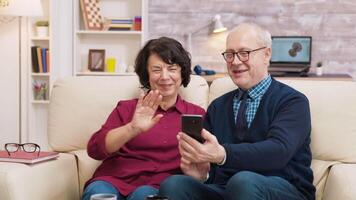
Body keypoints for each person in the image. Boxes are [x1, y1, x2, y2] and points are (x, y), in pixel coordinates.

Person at [159, 23, 315, 200]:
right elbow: (212, 165)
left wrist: (223, 154)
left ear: (266, 54)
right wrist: (203, 175)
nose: (235, 61)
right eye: (230, 54)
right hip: (227, 190)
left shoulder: (292, 102)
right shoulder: (218, 106)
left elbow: (279, 151)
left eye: (244, 53)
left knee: (243, 182)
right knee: (174, 185)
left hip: (284, 188)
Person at [82, 37, 205, 200]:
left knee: (143, 196)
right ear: (146, 74)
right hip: (113, 180)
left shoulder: (196, 114)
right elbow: (95, 150)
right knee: (97, 192)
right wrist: (132, 128)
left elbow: (205, 164)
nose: (164, 76)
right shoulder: (126, 108)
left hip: (156, 187)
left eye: (172, 68)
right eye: (156, 69)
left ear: (182, 72)